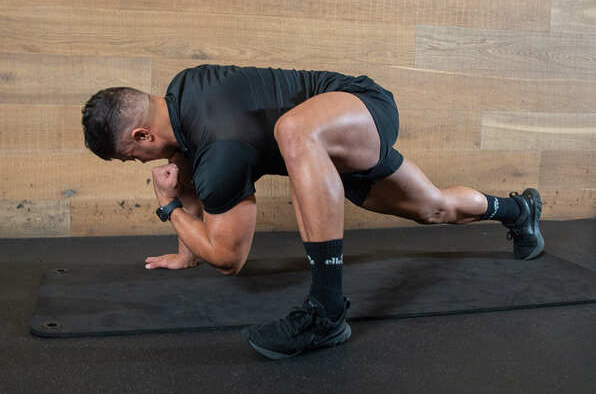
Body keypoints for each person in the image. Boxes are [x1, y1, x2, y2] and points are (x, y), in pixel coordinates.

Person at [82, 64, 544, 360]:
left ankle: (326, 312)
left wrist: (168, 210)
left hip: (357, 107)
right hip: (330, 151)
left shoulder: (219, 150)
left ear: (143, 136)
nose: (141, 164)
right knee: (434, 208)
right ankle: (519, 210)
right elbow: (189, 173)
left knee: (293, 129)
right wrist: (185, 252)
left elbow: (228, 258)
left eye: (131, 157)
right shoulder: (184, 90)